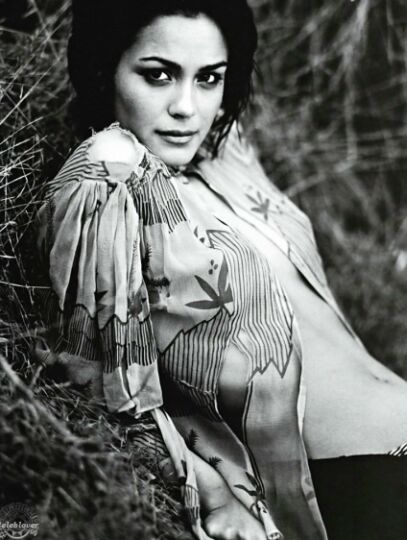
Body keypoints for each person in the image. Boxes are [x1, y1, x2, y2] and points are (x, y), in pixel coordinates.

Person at [33, 1, 407, 539]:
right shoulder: (108, 178)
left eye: (208, 78)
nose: (187, 107)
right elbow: (104, 386)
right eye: (158, 75)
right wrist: (213, 490)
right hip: (366, 481)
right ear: (104, 69)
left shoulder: (224, 151)